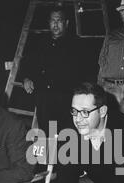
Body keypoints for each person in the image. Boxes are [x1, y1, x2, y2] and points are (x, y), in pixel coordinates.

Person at [21, 6, 83, 135]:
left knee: (65, 136)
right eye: (52, 20)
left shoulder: (76, 45)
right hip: (43, 99)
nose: (55, 24)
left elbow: (82, 74)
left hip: (66, 101)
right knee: (46, 134)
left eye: (59, 20)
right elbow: (28, 64)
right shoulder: (40, 42)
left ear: (66, 23)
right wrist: (26, 78)